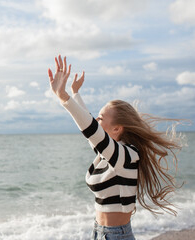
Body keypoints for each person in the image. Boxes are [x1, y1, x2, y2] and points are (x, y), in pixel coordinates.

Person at [48, 55, 182, 240]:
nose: (96, 120)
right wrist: (75, 93)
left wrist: (64, 97)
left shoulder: (127, 155)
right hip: (98, 232)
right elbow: (91, 130)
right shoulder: (110, 154)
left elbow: (91, 130)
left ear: (117, 128)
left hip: (116, 236)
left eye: (101, 118)